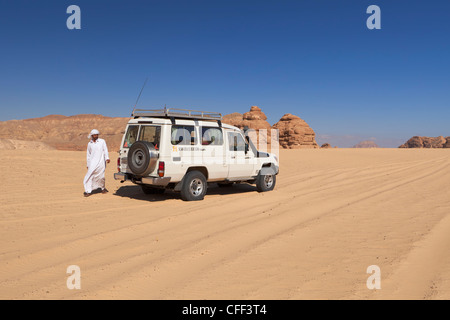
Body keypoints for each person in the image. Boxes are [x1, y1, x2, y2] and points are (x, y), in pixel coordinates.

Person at [83, 129, 110, 197]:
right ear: (92, 135)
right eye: (94, 135)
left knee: (101, 177)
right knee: (89, 176)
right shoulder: (90, 144)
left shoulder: (102, 141)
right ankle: (88, 191)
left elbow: (105, 150)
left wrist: (107, 158)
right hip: (92, 163)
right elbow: (88, 155)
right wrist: (88, 164)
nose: (96, 136)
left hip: (101, 162)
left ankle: (102, 188)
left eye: (97, 134)